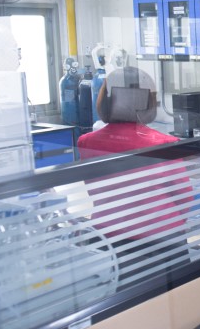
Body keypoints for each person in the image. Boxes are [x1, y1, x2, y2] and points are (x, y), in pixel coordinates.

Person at [77, 66, 191, 285]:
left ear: (106, 101)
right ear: (148, 103)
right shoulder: (164, 144)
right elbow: (184, 196)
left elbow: (93, 187)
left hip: (108, 237)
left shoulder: (86, 142)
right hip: (161, 241)